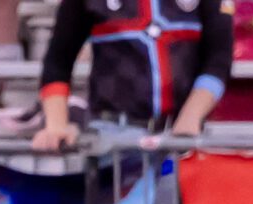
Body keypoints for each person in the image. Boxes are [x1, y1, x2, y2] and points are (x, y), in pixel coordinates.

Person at [30, 0, 233, 150]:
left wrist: (190, 118)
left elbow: (219, 60)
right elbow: (58, 62)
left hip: (183, 135)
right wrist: (56, 125)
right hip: (111, 134)